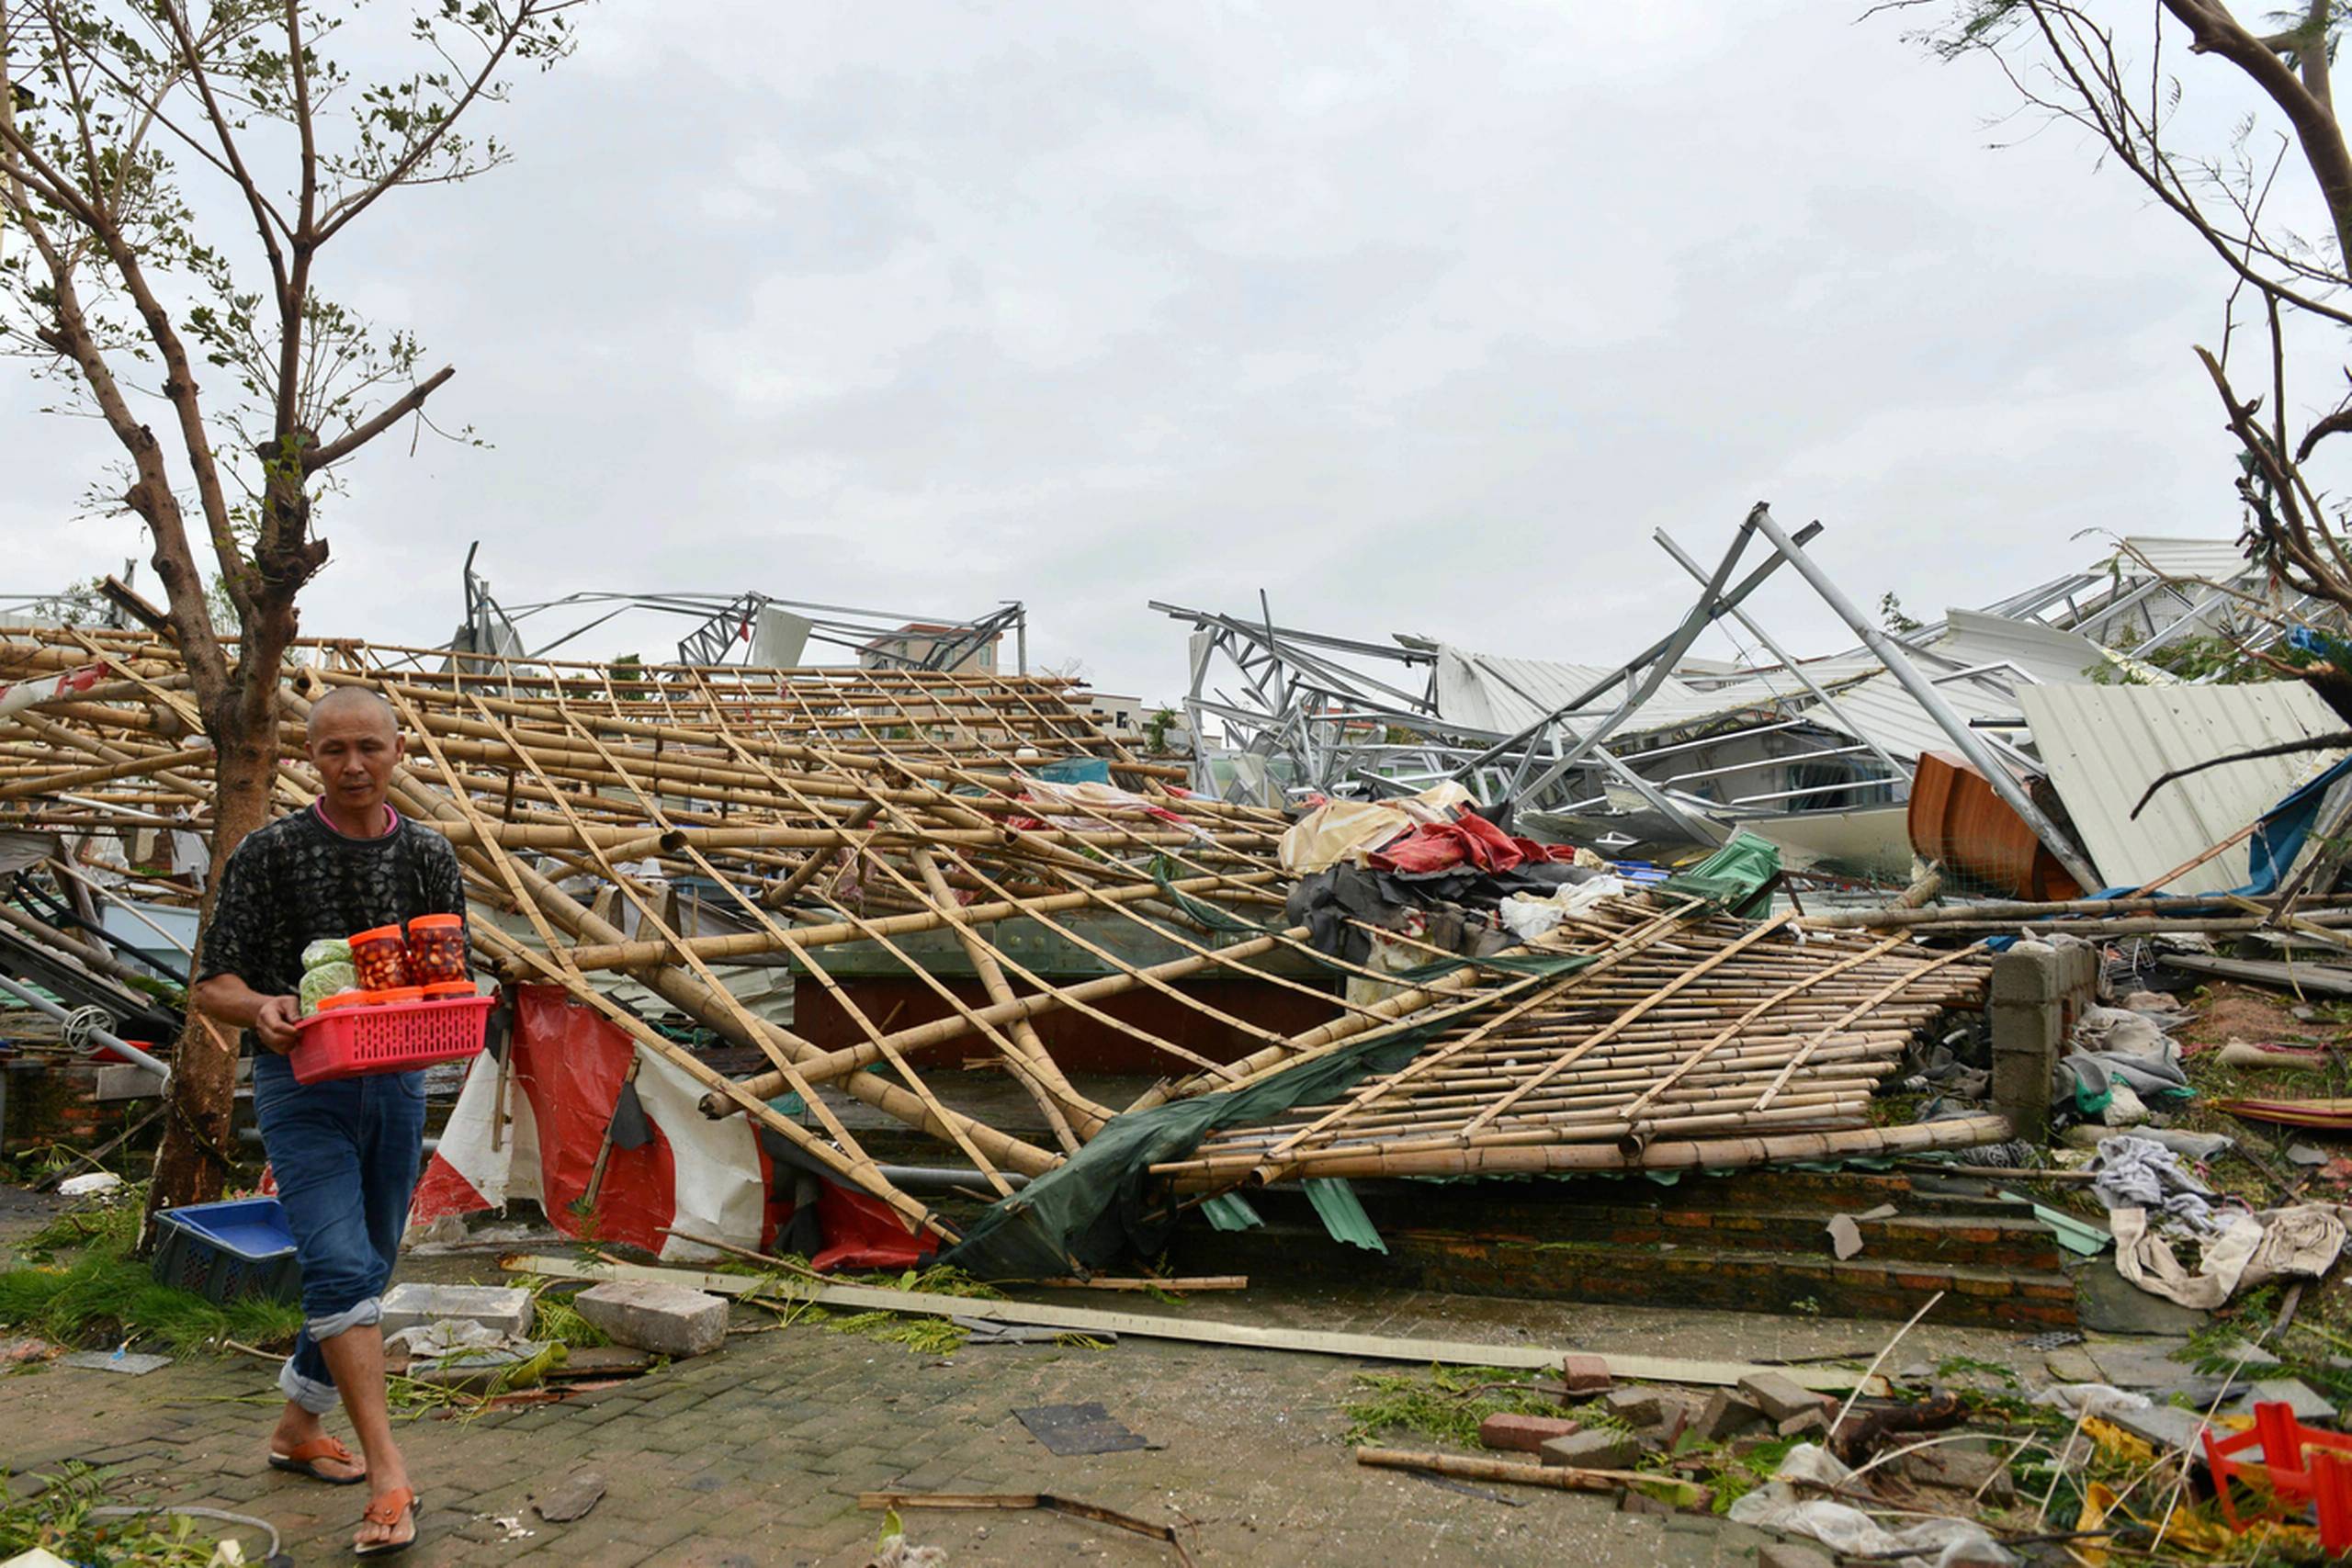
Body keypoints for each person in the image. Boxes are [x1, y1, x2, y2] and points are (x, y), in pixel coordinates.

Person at [193, 685, 466, 1558]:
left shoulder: (427, 852)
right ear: (310, 756)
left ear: (397, 751)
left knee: (376, 1255)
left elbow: (453, 967)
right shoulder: (270, 852)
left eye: (370, 748)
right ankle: (391, 1473)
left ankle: (296, 1428)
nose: (354, 765)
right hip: (298, 1084)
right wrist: (263, 1007)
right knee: (340, 1261)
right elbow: (211, 983)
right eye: (334, 749)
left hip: (395, 1081)